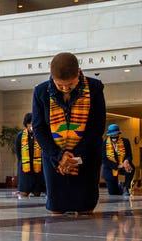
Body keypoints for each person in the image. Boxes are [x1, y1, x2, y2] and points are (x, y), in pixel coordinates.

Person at [32, 52, 106, 214]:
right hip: (53, 156)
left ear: (78, 72)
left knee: (85, 207)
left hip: (87, 155)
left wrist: (75, 156)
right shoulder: (41, 91)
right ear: (52, 77)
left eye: (70, 84)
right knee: (56, 207)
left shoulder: (94, 88)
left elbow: (97, 126)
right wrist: (59, 156)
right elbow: (38, 128)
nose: (65, 89)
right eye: (60, 85)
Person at [14, 113, 46, 198]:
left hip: (38, 168)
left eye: (34, 122)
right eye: (31, 123)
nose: (32, 125)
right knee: (24, 193)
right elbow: (18, 152)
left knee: (37, 193)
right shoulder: (20, 136)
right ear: (27, 124)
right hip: (25, 168)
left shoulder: (39, 135)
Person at [102, 123, 135, 196]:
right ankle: (120, 186)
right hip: (110, 168)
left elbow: (129, 155)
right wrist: (117, 166)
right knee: (113, 193)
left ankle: (126, 187)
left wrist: (126, 161)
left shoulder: (125, 141)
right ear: (109, 135)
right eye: (112, 135)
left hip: (123, 165)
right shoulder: (104, 143)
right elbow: (103, 159)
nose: (114, 136)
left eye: (116, 134)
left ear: (118, 134)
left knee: (131, 167)